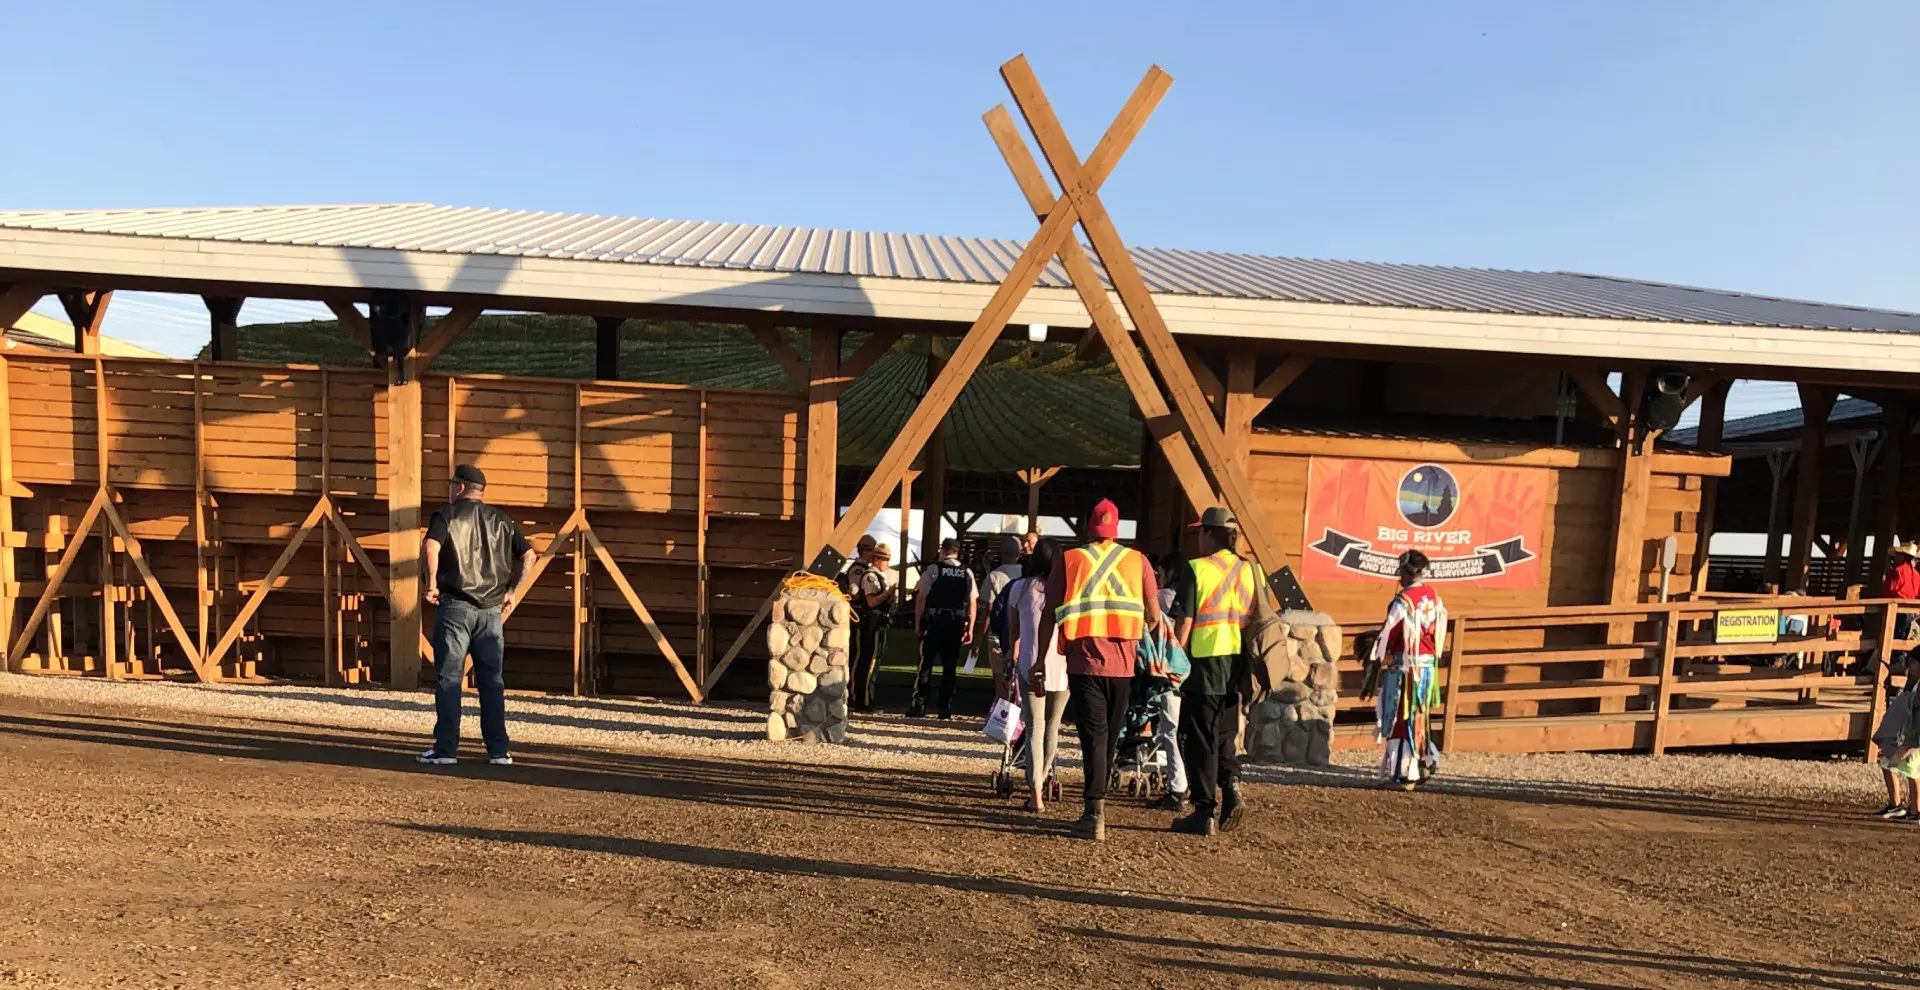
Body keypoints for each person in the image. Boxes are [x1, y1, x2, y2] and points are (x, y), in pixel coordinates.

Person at [1037, 498, 1160, 841]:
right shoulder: (1137, 562)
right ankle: (1097, 806)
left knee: (1094, 736)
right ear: (1116, 527)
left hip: (1083, 662)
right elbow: (1152, 614)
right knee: (1110, 735)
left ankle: (1094, 813)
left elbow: (1049, 612)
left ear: (1088, 527)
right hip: (1123, 667)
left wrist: (1038, 659)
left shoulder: (1070, 559)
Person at [418, 463, 535, 767]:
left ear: (458, 487)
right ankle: (498, 751)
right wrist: (513, 591)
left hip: (455, 608)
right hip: (491, 612)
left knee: (449, 679)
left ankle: (445, 750)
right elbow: (529, 554)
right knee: (492, 682)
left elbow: (431, 546)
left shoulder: (446, 515)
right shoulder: (503, 520)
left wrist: (431, 584)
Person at [1167, 507, 1260, 836]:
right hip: (1237, 664)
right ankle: (1232, 785)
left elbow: (1185, 622)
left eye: (1200, 533)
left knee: (1200, 740)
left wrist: (1173, 663)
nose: (1198, 539)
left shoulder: (1196, 569)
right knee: (1224, 735)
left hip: (1205, 663)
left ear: (1210, 534)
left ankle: (1204, 810)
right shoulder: (1249, 570)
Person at [1370, 549, 1448, 789]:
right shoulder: (1434, 596)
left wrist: (1380, 653)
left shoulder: (1403, 601)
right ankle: (1422, 763)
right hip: (1426, 669)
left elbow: (1391, 632)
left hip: (1405, 667)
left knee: (1399, 716)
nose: (1399, 578)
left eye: (1401, 573)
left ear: (1407, 572)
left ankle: (1405, 774)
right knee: (1418, 717)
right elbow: (1439, 631)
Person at [1008, 539, 1068, 813]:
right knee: (1053, 727)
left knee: (1035, 727)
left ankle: (1036, 793)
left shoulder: (1020, 588)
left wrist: (1012, 655)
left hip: (1032, 663)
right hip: (1063, 665)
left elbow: (1014, 631)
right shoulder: (1067, 591)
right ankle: (1042, 779)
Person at [911, 538, 976, 719]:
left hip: (934, 623)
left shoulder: (934, 569)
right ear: (957, 551)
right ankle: (944, 708)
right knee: (950, 668)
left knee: (925, 665)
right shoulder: (966, 572)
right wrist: (970, 628)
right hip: (955, 624)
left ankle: (919, 705)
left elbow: (921, 598)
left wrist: (917, 623)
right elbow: (972, 603)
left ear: (943, 550)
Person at [978, 534, 1026, 702]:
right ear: (1019, 553)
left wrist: (978, 639)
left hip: (999, 633)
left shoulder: (994, 576)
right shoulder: (1027, 575)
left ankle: (1002, 715)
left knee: (1000, 679)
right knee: (1020, 677)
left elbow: (988, 610)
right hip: (1023, 632)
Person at [850, 542, 898, 712]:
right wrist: (888, 594)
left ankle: (867, 698)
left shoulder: (881, 576)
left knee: (874, 661)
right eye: (885, 560)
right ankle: (862, 700)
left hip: (879, 623)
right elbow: (871, 602)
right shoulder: (870, 576)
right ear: (876, 559)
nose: (887, 564)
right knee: (867, 661)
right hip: (870, 622)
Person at [1872, 654, 1920, 819]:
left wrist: (1913, 743)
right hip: (1904, 735)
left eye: (1913, 663)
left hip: (1913, 738)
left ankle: (1915, 810)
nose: (1910, 667)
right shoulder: (1912, 681)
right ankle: (1896, 805)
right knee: (1888, 764)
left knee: (1911, 772)